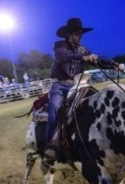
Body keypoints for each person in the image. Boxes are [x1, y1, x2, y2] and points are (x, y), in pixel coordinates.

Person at [44, 17, 100, 162]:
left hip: (78, 85)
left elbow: (97, 59)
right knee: (55, 107)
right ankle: (51, 145)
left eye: (81, 33)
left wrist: (113, 65)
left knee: (96, 99)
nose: (80, 36)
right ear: (69, 35)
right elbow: (64, 57)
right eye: (77, 33)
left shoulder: (83, 49)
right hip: (60, 85)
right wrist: (84, 57)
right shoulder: (59, 46)